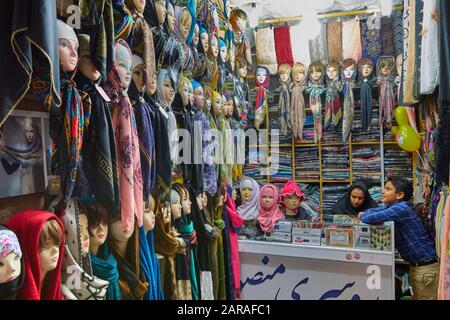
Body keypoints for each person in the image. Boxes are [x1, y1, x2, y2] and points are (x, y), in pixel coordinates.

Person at [359, 177, 439, 300]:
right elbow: (371, 210)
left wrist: (364, 215)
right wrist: (365, 213)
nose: (383, 191)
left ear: (400, 195)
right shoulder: (394, 207)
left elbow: (368, 218)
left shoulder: (401, 209)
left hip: (426, 269)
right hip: (418, 267)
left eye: (388, 189)